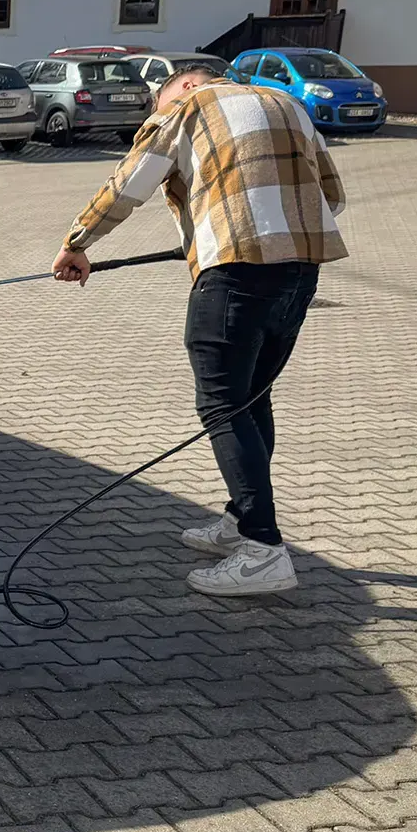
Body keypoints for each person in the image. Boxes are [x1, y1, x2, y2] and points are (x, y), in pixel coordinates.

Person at [51, 67, 347, 596]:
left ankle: (263, 549)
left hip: (236, 272)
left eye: (158, 102)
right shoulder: (287, 104)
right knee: (252, 398)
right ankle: (241, 519)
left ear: (186, 86)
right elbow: (332, 196)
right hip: (302, 269)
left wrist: (77, 243)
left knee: (222, 403)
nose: (157, 113)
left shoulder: (188, 108)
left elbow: (129, 183)